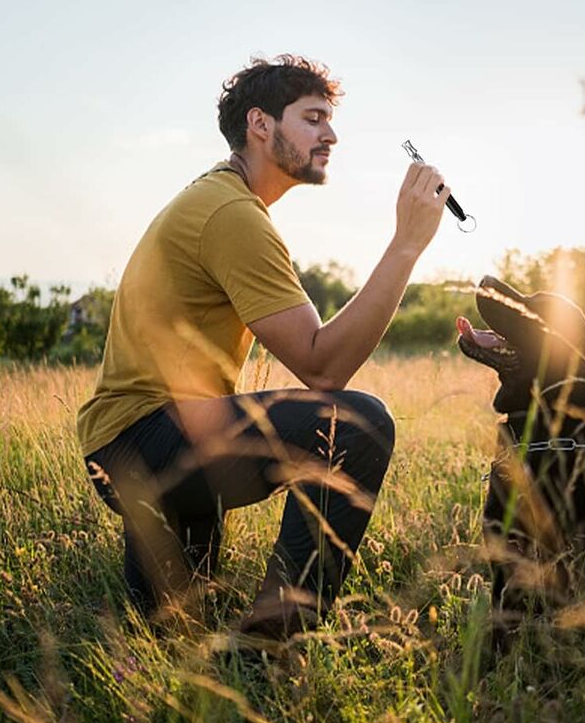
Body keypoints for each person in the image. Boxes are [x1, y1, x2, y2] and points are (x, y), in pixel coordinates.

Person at [78, 54, 450, 639]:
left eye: (329, 120)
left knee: (165, 634)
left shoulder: (218, 199)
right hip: (148, 439)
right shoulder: (231, 213)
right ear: (260, 123)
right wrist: (406, 245)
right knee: (358, 425)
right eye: (312, 118)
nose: (330, 135)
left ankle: (180, 598)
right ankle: (265, 646)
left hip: (134, 446)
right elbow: (322, 367)